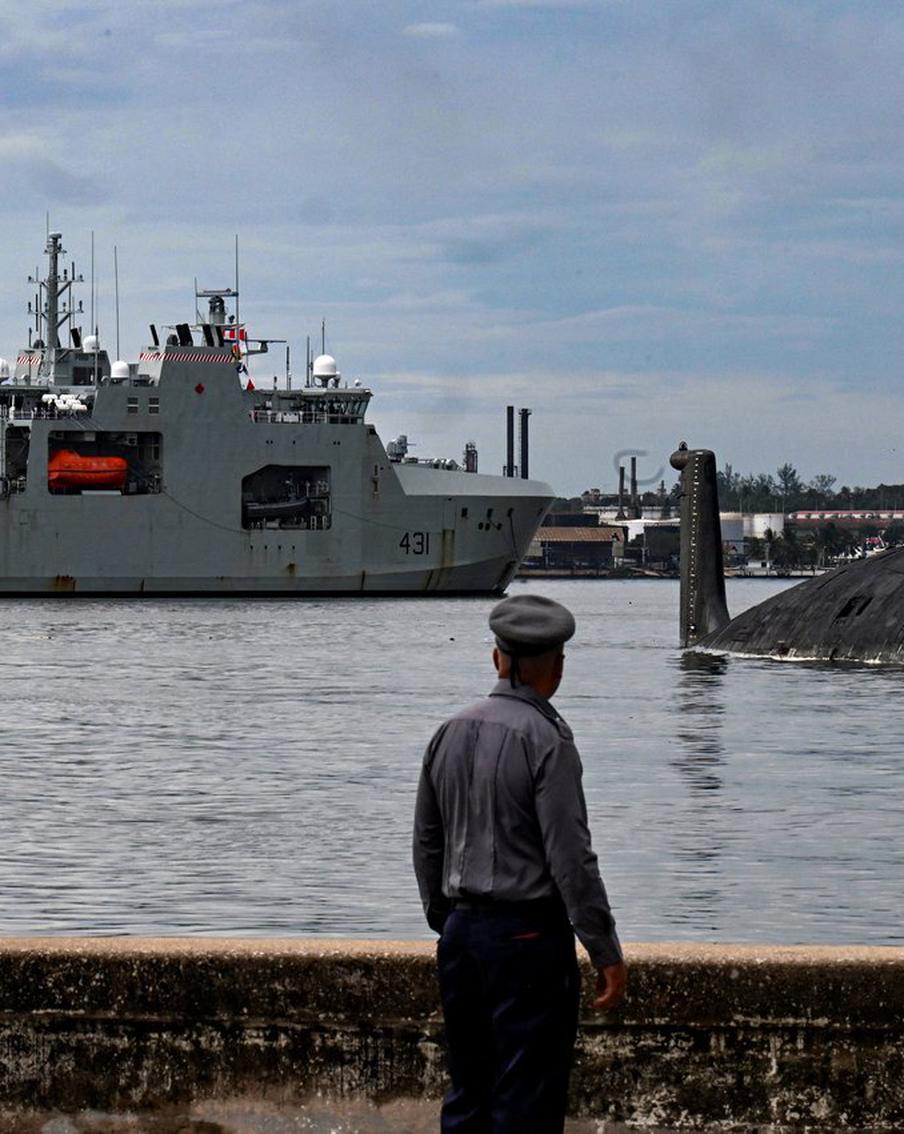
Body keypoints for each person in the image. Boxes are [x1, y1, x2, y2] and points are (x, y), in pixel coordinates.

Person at [413, 593, 627, 1134]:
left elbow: (427, 843)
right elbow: (571, 857)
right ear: (555, 668)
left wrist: (449, 920)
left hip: (461, 936)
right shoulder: (548, 741)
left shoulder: (449, 732)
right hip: (528, 939)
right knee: (526, 1097)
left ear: (496, 659)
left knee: (468, 1090)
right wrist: (602, 947)